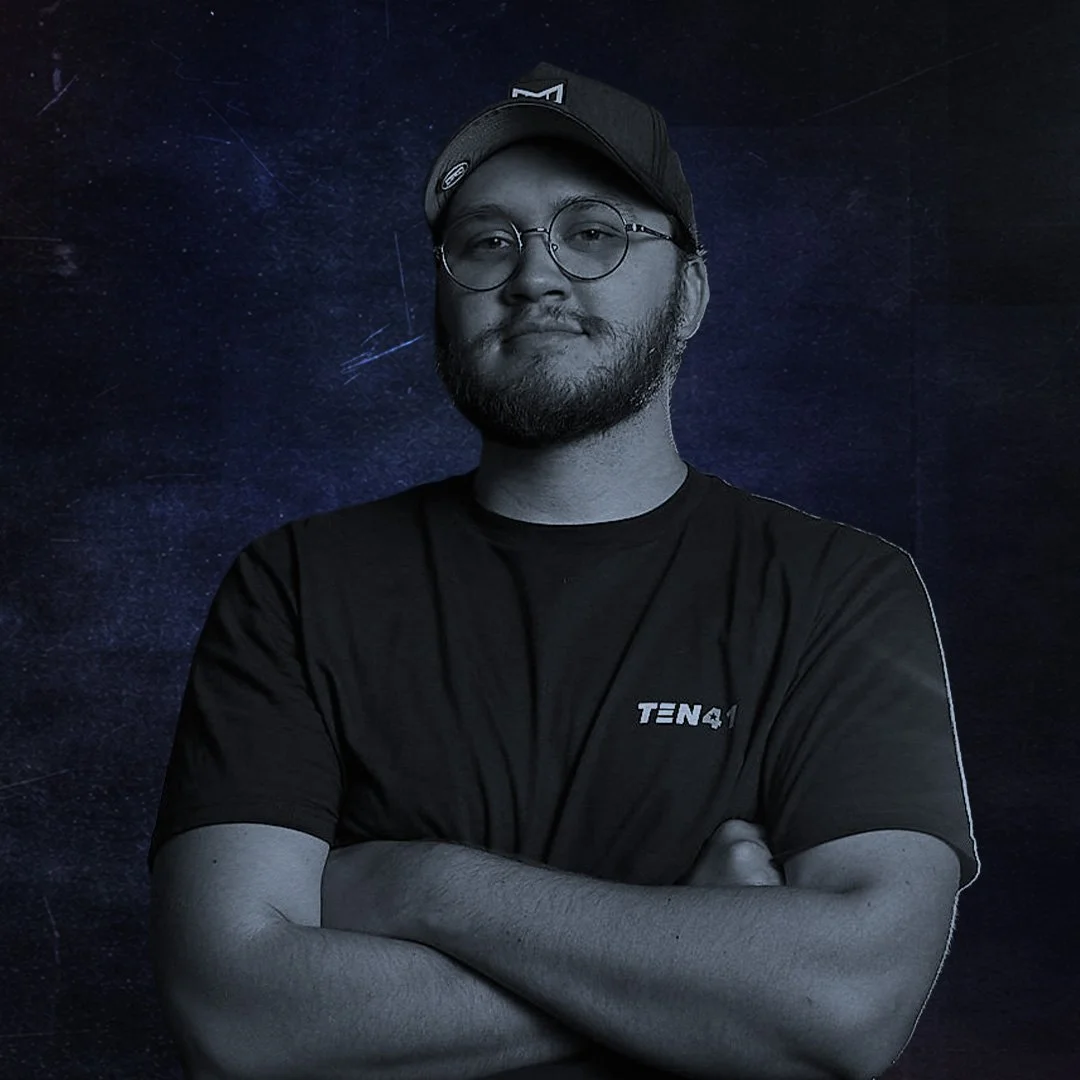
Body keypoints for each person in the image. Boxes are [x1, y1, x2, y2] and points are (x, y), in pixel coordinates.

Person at [147, 61, 980, 1080]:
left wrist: (421, 888)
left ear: (692, 292)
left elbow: (847, 1004)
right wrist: (699, 951)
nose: (535, 275)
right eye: (486, 242)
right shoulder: (296, 587)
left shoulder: (841, 589)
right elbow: (241, 1023)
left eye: (595, 232)